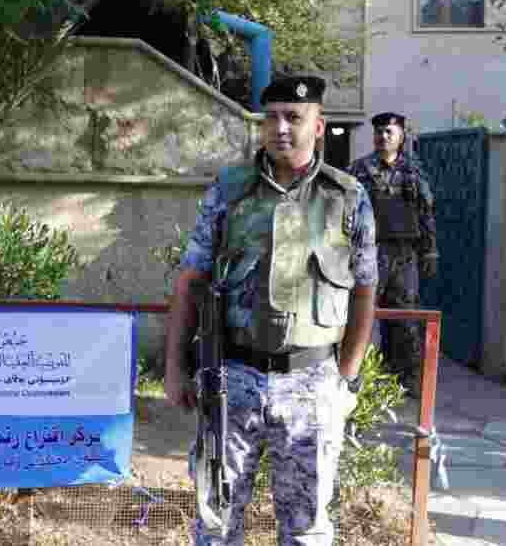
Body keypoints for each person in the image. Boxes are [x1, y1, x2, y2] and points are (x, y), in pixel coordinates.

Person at [163, 75, 378, 545]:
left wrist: (347, 377)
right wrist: (175, 368)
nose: (280, 128)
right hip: (232, 380)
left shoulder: (347, 197)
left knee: (306, 529)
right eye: (272, 117)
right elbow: (191, 281)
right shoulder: (229, 191)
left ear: (318, 126)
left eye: (294, 118)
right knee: (216, 524)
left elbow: (365, 289)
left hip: (312, 383)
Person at [348, 112, 438, 397]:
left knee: (406, 317)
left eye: (389, 132)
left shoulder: (414, 170)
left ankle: (406, 378)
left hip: (404, 254)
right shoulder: (359, 169)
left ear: (401, 135)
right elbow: (345, 210)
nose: (382, 137)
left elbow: (426, 212)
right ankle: (355, 376)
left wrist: (430, 250)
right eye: (378, 132)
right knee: (361, 315)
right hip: (368, 251)